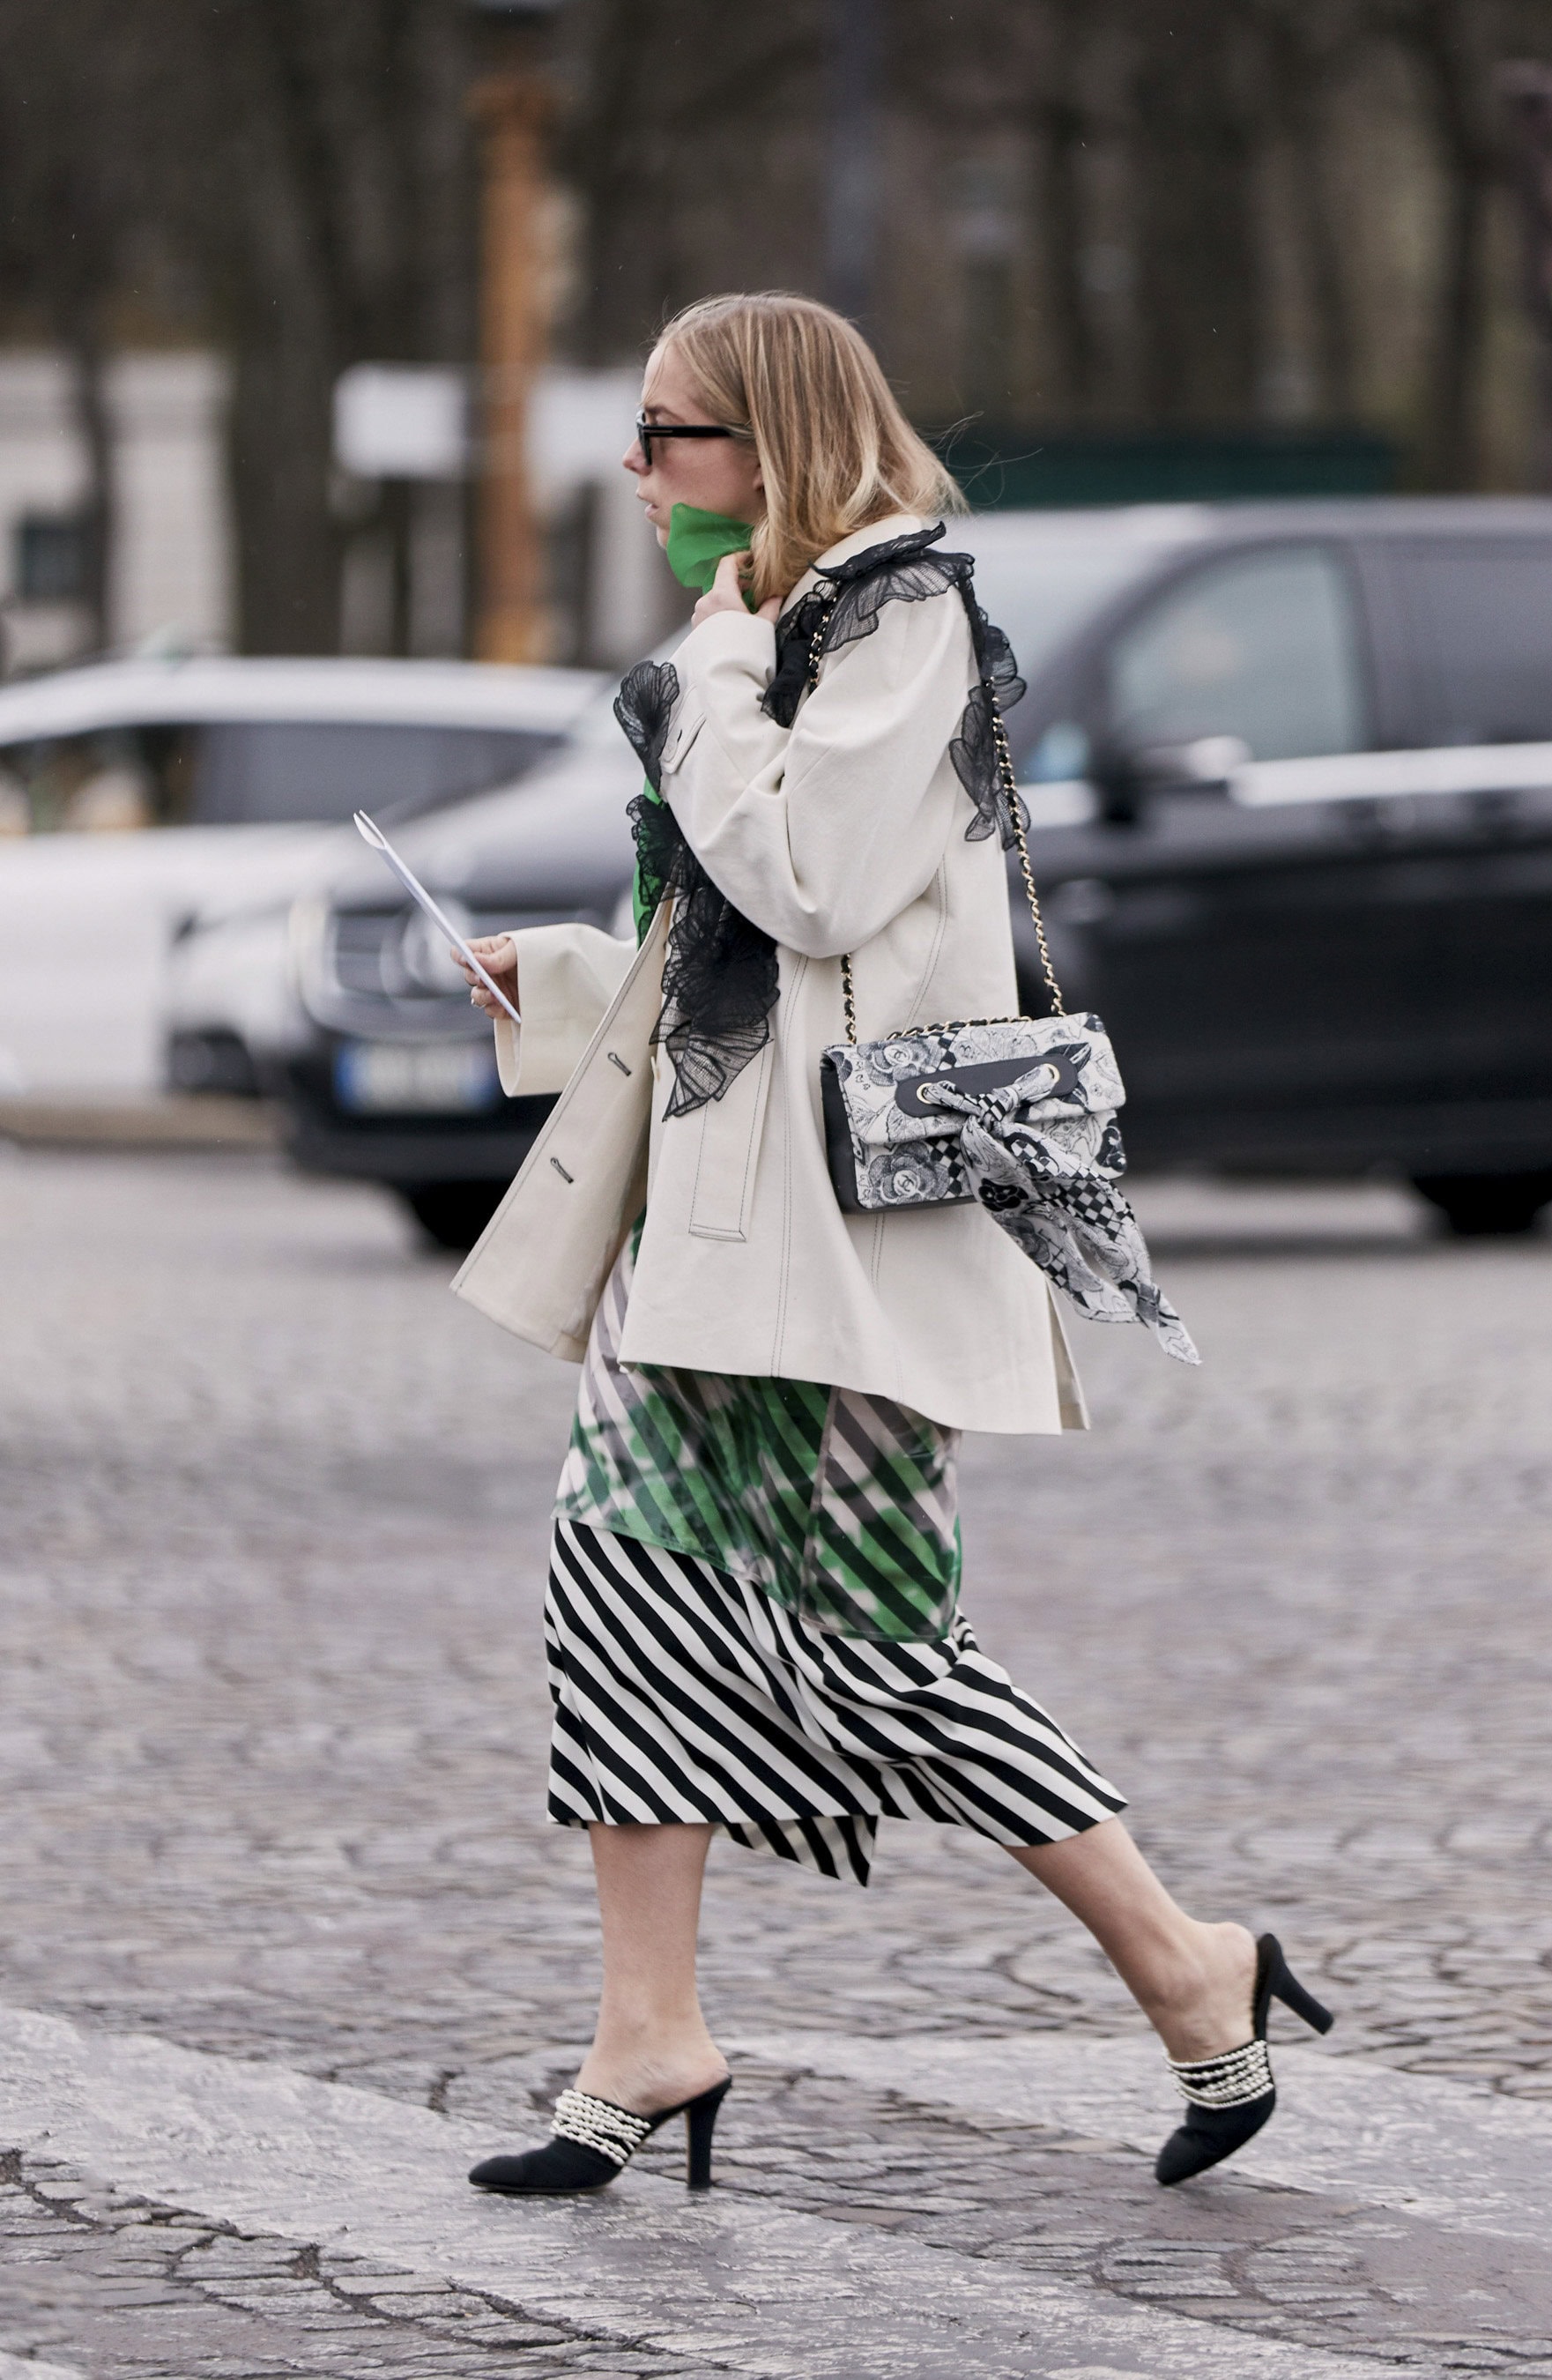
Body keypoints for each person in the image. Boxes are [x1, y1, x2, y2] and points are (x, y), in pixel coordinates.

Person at [451, 292, 1331, 2200]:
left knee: (865, 1647)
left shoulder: (898, 623)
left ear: (767, 443)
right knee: (631, 1601)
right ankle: (653, 2033)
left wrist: (697, 687)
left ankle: (1192, 1967)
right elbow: (759, 964)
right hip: (718, 1238)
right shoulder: (779, 637)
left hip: (838, 1248)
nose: (640, 472)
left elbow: (822, 881)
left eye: (669, 434)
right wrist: (572, 973)